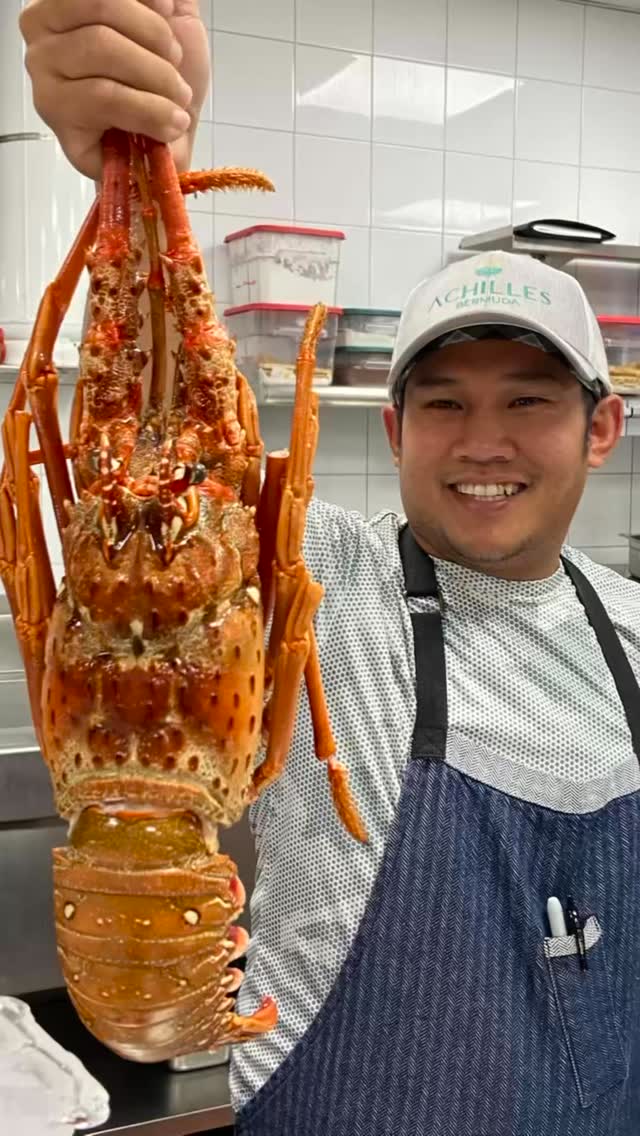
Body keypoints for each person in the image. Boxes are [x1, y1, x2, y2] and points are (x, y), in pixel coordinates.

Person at [20, 4, 640, 1134]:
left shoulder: (635, 631)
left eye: (530, 402)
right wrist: (146, 144)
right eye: (442, 403)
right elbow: (165, 412)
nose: (484, 440)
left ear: (601, 429)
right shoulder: (313, 575)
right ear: (392, 433)